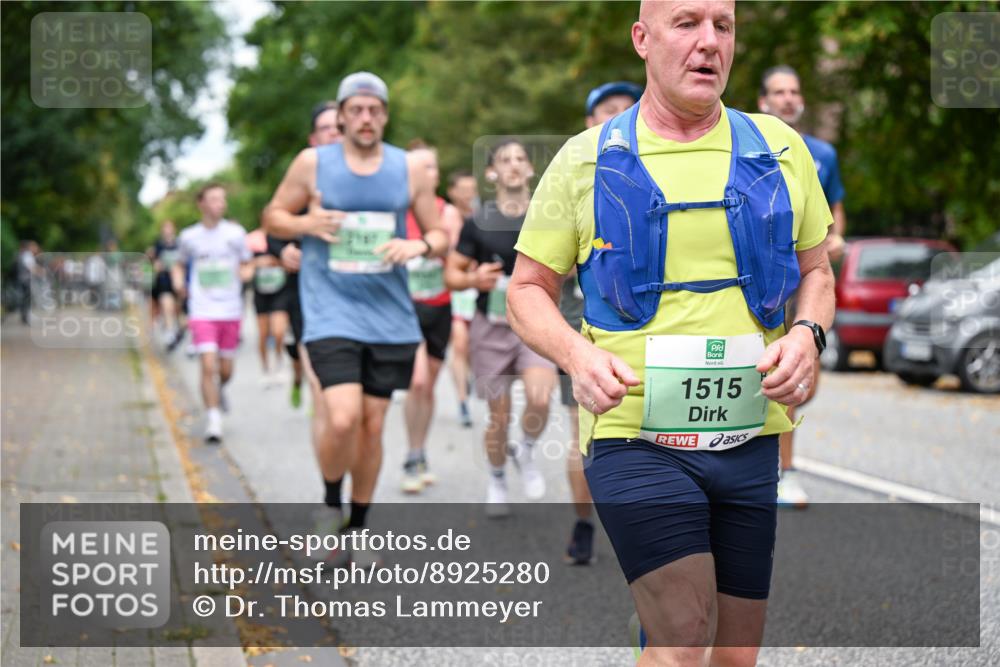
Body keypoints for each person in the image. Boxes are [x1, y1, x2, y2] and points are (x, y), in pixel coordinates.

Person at [509, 2, 836, 664]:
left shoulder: (780, 147)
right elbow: (525, 290)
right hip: (633, 433)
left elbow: (818, 271)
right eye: (687, 23)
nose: (708, 43)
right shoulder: (583, 160)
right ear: (642, 38)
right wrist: (576, 355)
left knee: (735, 653)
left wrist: (807, 335)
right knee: (684, 632)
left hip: (750, 434)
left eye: (723, 26)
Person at [262, 72, 448, 564]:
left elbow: (440, 234)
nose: (366, 118)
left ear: (384, 115)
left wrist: (419, 244)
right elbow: (272, 217)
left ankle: (359, 527)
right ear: (342, 115)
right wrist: (305, 224)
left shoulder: (408, 169)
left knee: (371, 426)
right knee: (341, 418)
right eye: (356, 110)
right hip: (330, 309)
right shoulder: (312, 163)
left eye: (375, 110)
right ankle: (329, 505)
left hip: (389, 317)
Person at [445, 138, 556, 517]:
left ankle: (523, 451)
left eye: (520, 159)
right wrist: (474, 278)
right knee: (499, 415)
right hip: (491, 326)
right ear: (491, 173)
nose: (513, 165)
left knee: (541, 398)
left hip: (537, 320)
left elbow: (572, 264)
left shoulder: (548, 215)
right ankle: (496, 477)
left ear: (529, 169)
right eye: (504, 160)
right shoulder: (477, 222)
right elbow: (452, 274)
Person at [758, 64, 848, 509]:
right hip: (764, 276)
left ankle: (778, 463)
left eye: (794, 91)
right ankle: (781, 471)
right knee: (784, 375)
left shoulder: (822, 154)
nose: (788, 98)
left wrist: (835, 239)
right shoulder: (747, 146)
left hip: (807, 276)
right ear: (764, 102)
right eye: (779, 92)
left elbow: (835, 211)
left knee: (802, 380)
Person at [563, 80, 645, 566]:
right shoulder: (573, 175)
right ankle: (582, 520)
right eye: (606, 111)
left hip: (650, 330)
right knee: (584, 429)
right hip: (582, 322)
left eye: (626, 109)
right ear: (591, 124)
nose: (618, 118)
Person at [268, 100, 343, 410]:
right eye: (326, 129)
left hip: (356, 290)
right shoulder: (303, 177)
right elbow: (272, 225)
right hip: (307, 290)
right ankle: (314, 397)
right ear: (313, 139)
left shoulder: (371, 174)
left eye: (338, 128)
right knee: (314, 366)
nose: (334, 134)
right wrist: (284, 249)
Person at [401, 143, 465, 493]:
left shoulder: (447, 213)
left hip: (439, 307)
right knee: (418, 382)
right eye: (420, 168)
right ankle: (411, 457)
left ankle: (420, 450)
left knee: (428, 389)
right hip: (405, 310)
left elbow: (456, 260)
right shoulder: (395, 211)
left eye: (432, 168)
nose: (428, 174)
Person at [172, 184, 253, 443]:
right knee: (208, 364)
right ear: (202, 204)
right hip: (202, 309)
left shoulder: (236, 233)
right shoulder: (189, 237)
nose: (220, 204)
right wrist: (178, 282)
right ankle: (213, 419)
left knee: (225, 369)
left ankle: (220, 390)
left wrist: (247, 274)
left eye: (223, 199)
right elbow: (179, 264)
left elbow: (247, 263)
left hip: (230, 309)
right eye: (214, 199)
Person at [445, 170, 480, 428]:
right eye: (464, 190)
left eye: (472, 189)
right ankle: (462, 401)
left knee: (471, 346)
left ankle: (468, 377)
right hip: (456, 289)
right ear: (452, 192)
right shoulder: (446, 216)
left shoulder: (484, 216)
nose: (469, 194)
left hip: (480, 288)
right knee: (459, 344)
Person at [247, 227, 290, 384]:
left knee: (279, 332)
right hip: (261, 293)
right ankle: (265, 370)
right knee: (263, 334)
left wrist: (276, 262)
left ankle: (279, 364)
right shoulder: (252, 240)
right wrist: (257, 263)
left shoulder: (283, 237)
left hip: (280, 292)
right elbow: (244, 267)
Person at [151, 221, 183, 350]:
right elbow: (156, 264)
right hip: (164, 281)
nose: (167, 230)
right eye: (165, 228)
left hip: (178, 282)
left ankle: (175, 329)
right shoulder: (159, 245)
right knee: (167, 305)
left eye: (170, 227)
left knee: (178, 310)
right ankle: (169, 332)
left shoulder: (180, 244)